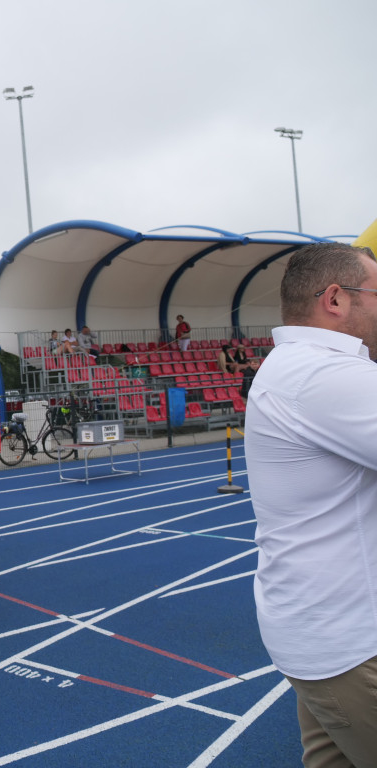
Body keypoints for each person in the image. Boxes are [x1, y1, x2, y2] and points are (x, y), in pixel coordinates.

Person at [244, 242, 377, 767]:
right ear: (336, 300)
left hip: (322, 635)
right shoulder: (326, 375)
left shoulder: (299, 367)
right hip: (352, 644)